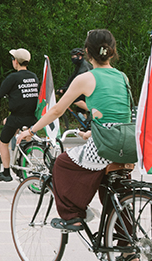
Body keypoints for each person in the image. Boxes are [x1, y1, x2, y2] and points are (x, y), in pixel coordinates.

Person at [19, 29, 131, 231]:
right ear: (112, 51)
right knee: (116, 193)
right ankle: (127, 243)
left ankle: (73, 216)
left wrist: (32, 131)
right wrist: (91, 133)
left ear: (87, 52)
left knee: (61, 164)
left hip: (105, 146)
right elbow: (114, 116)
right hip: (127, 144)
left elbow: (57, 110)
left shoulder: (86, 78)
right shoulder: (123, 77)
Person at [0, 48, 40, 183]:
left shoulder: (13, 77)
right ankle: (21, 157)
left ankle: (6, 172)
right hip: (32, 117)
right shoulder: (33, 76)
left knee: (3, 141)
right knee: (7, 121)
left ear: (16, 61)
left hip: (17, 117)